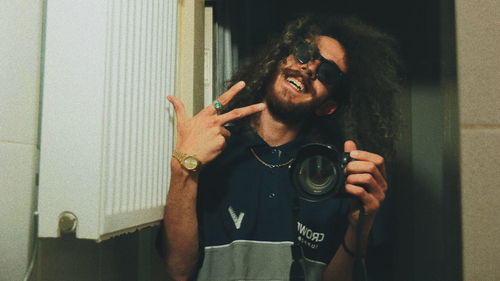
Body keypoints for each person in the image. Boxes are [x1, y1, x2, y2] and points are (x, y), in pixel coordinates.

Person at [162, 14, 402, 281]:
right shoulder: (212, 150)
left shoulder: (332, 177)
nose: (309, 67)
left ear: (328, 106)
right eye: (303, 52)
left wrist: (359, 229)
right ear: (280, 60)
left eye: (327, 72)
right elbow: (179, 271)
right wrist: (183, 168)